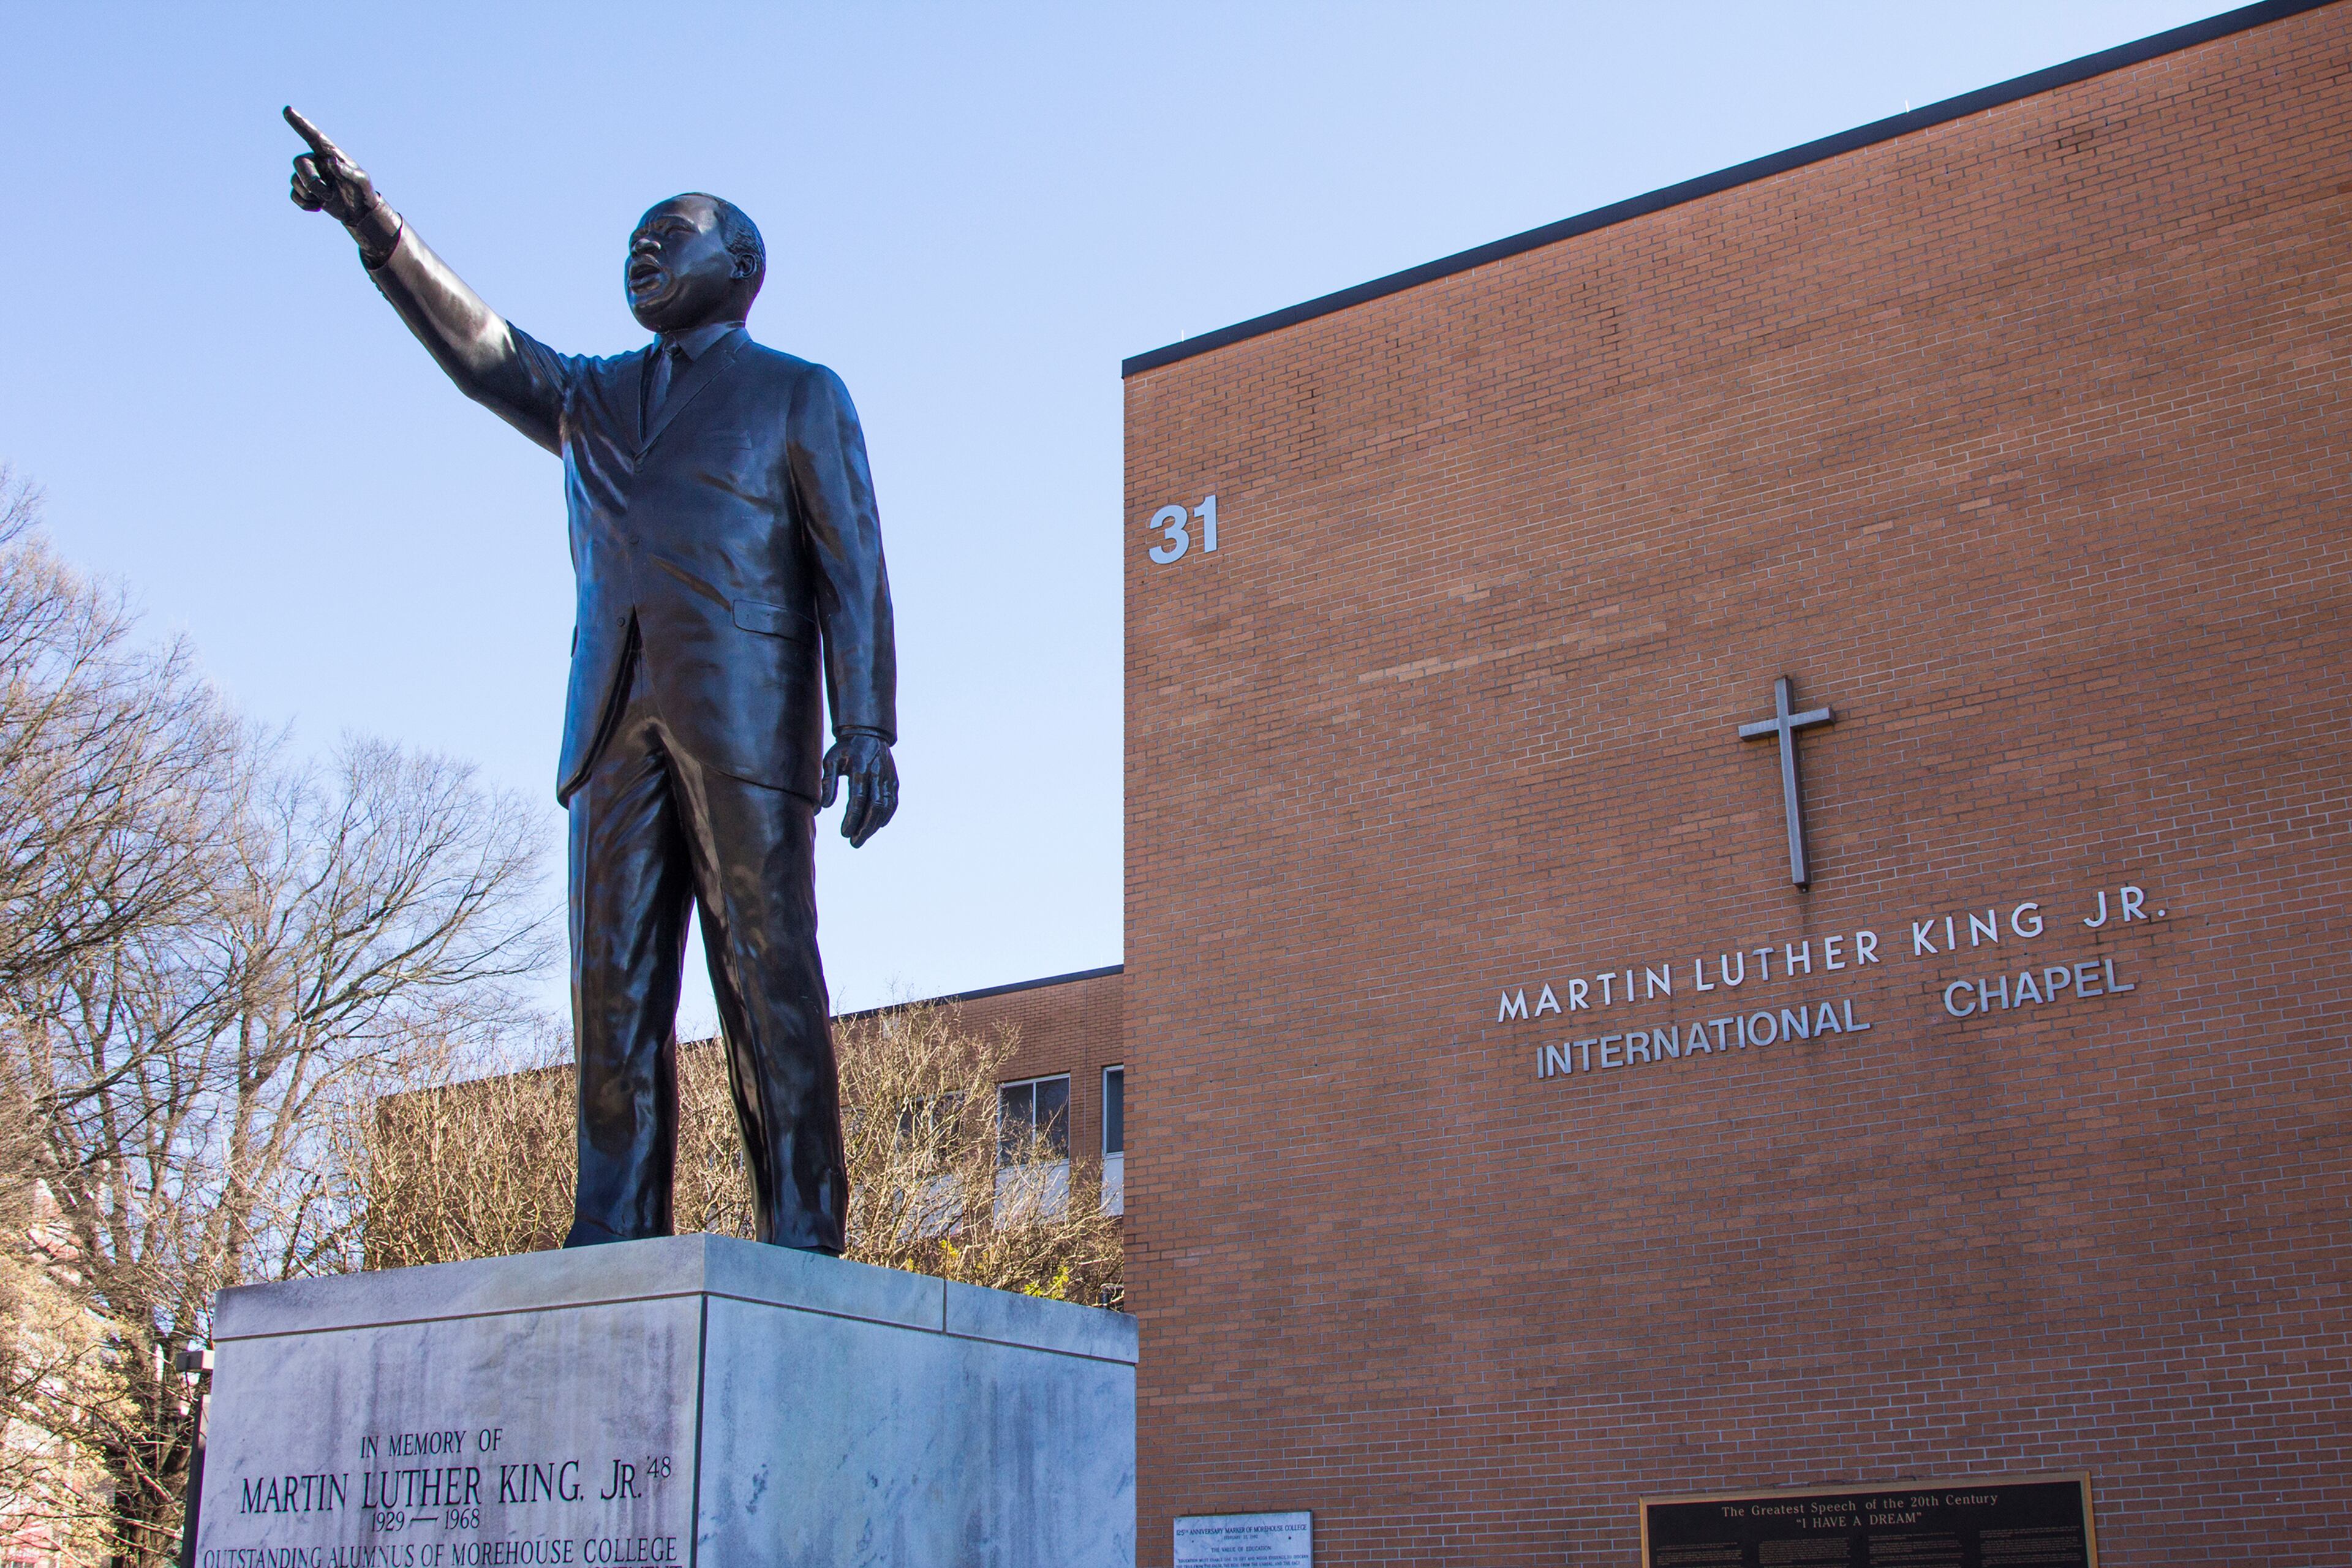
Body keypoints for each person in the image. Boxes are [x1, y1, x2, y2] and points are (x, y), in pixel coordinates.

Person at [284, 108, 898, 1254]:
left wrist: (865, 723)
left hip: (747, 723)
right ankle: (612, 1223)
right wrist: (377, 229)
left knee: (766, 976)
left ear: (744, 267)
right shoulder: (593, 397)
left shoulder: (798, 392)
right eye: (632, 242)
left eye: (670, 235)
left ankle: (806, 1229)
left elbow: (853, 563)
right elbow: (483, 352)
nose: (643, 252)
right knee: (611, 987)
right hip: (610, 721)